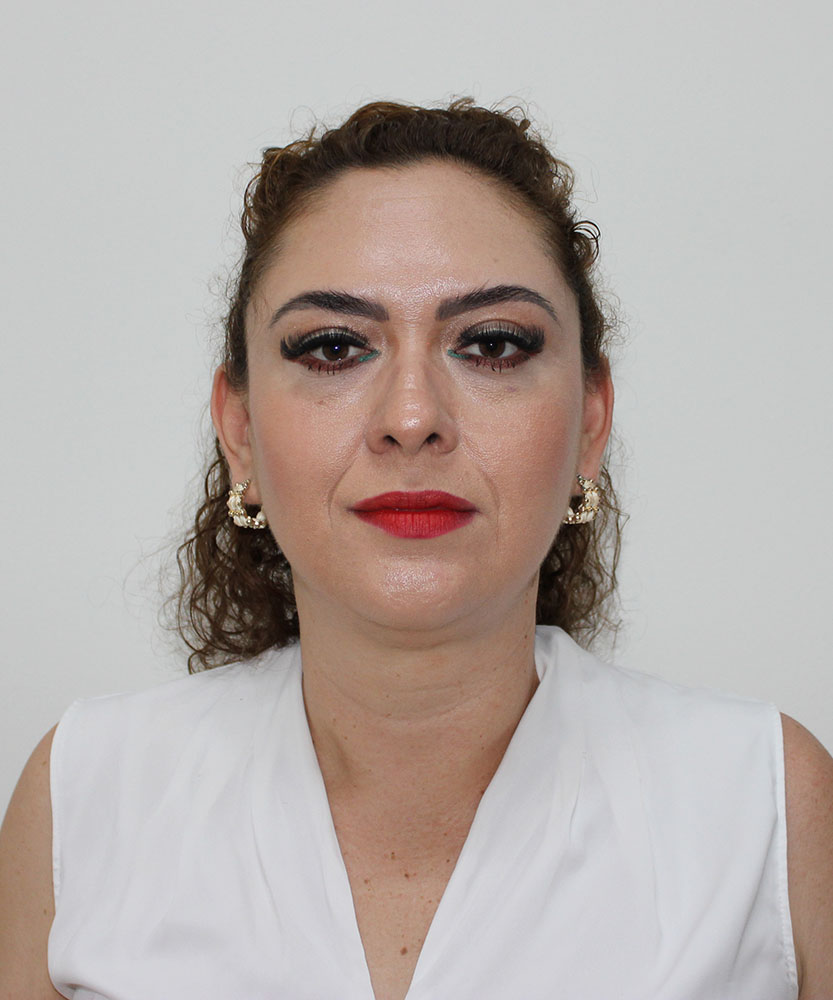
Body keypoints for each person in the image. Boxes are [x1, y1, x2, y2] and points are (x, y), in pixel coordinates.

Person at [1, 99, 831, 1000]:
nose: (410, 418)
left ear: (590, 423)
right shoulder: (84, 794)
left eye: (492, 344)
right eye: (332, 347)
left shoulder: (766, 804)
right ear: (238, 431)